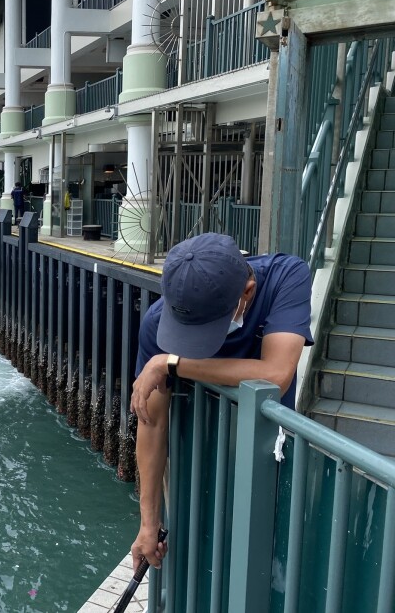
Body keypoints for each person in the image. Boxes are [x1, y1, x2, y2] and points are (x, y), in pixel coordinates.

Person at [129, 232, 313, 573]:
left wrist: (170, 362)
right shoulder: (156, 322)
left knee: (263, 563)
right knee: (197, 563)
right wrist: (148, 523)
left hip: (268, 459)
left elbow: (276, 373)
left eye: (204, 330)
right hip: (193, 461)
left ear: (247, 292)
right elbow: (151, 422)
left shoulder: (286, 275)